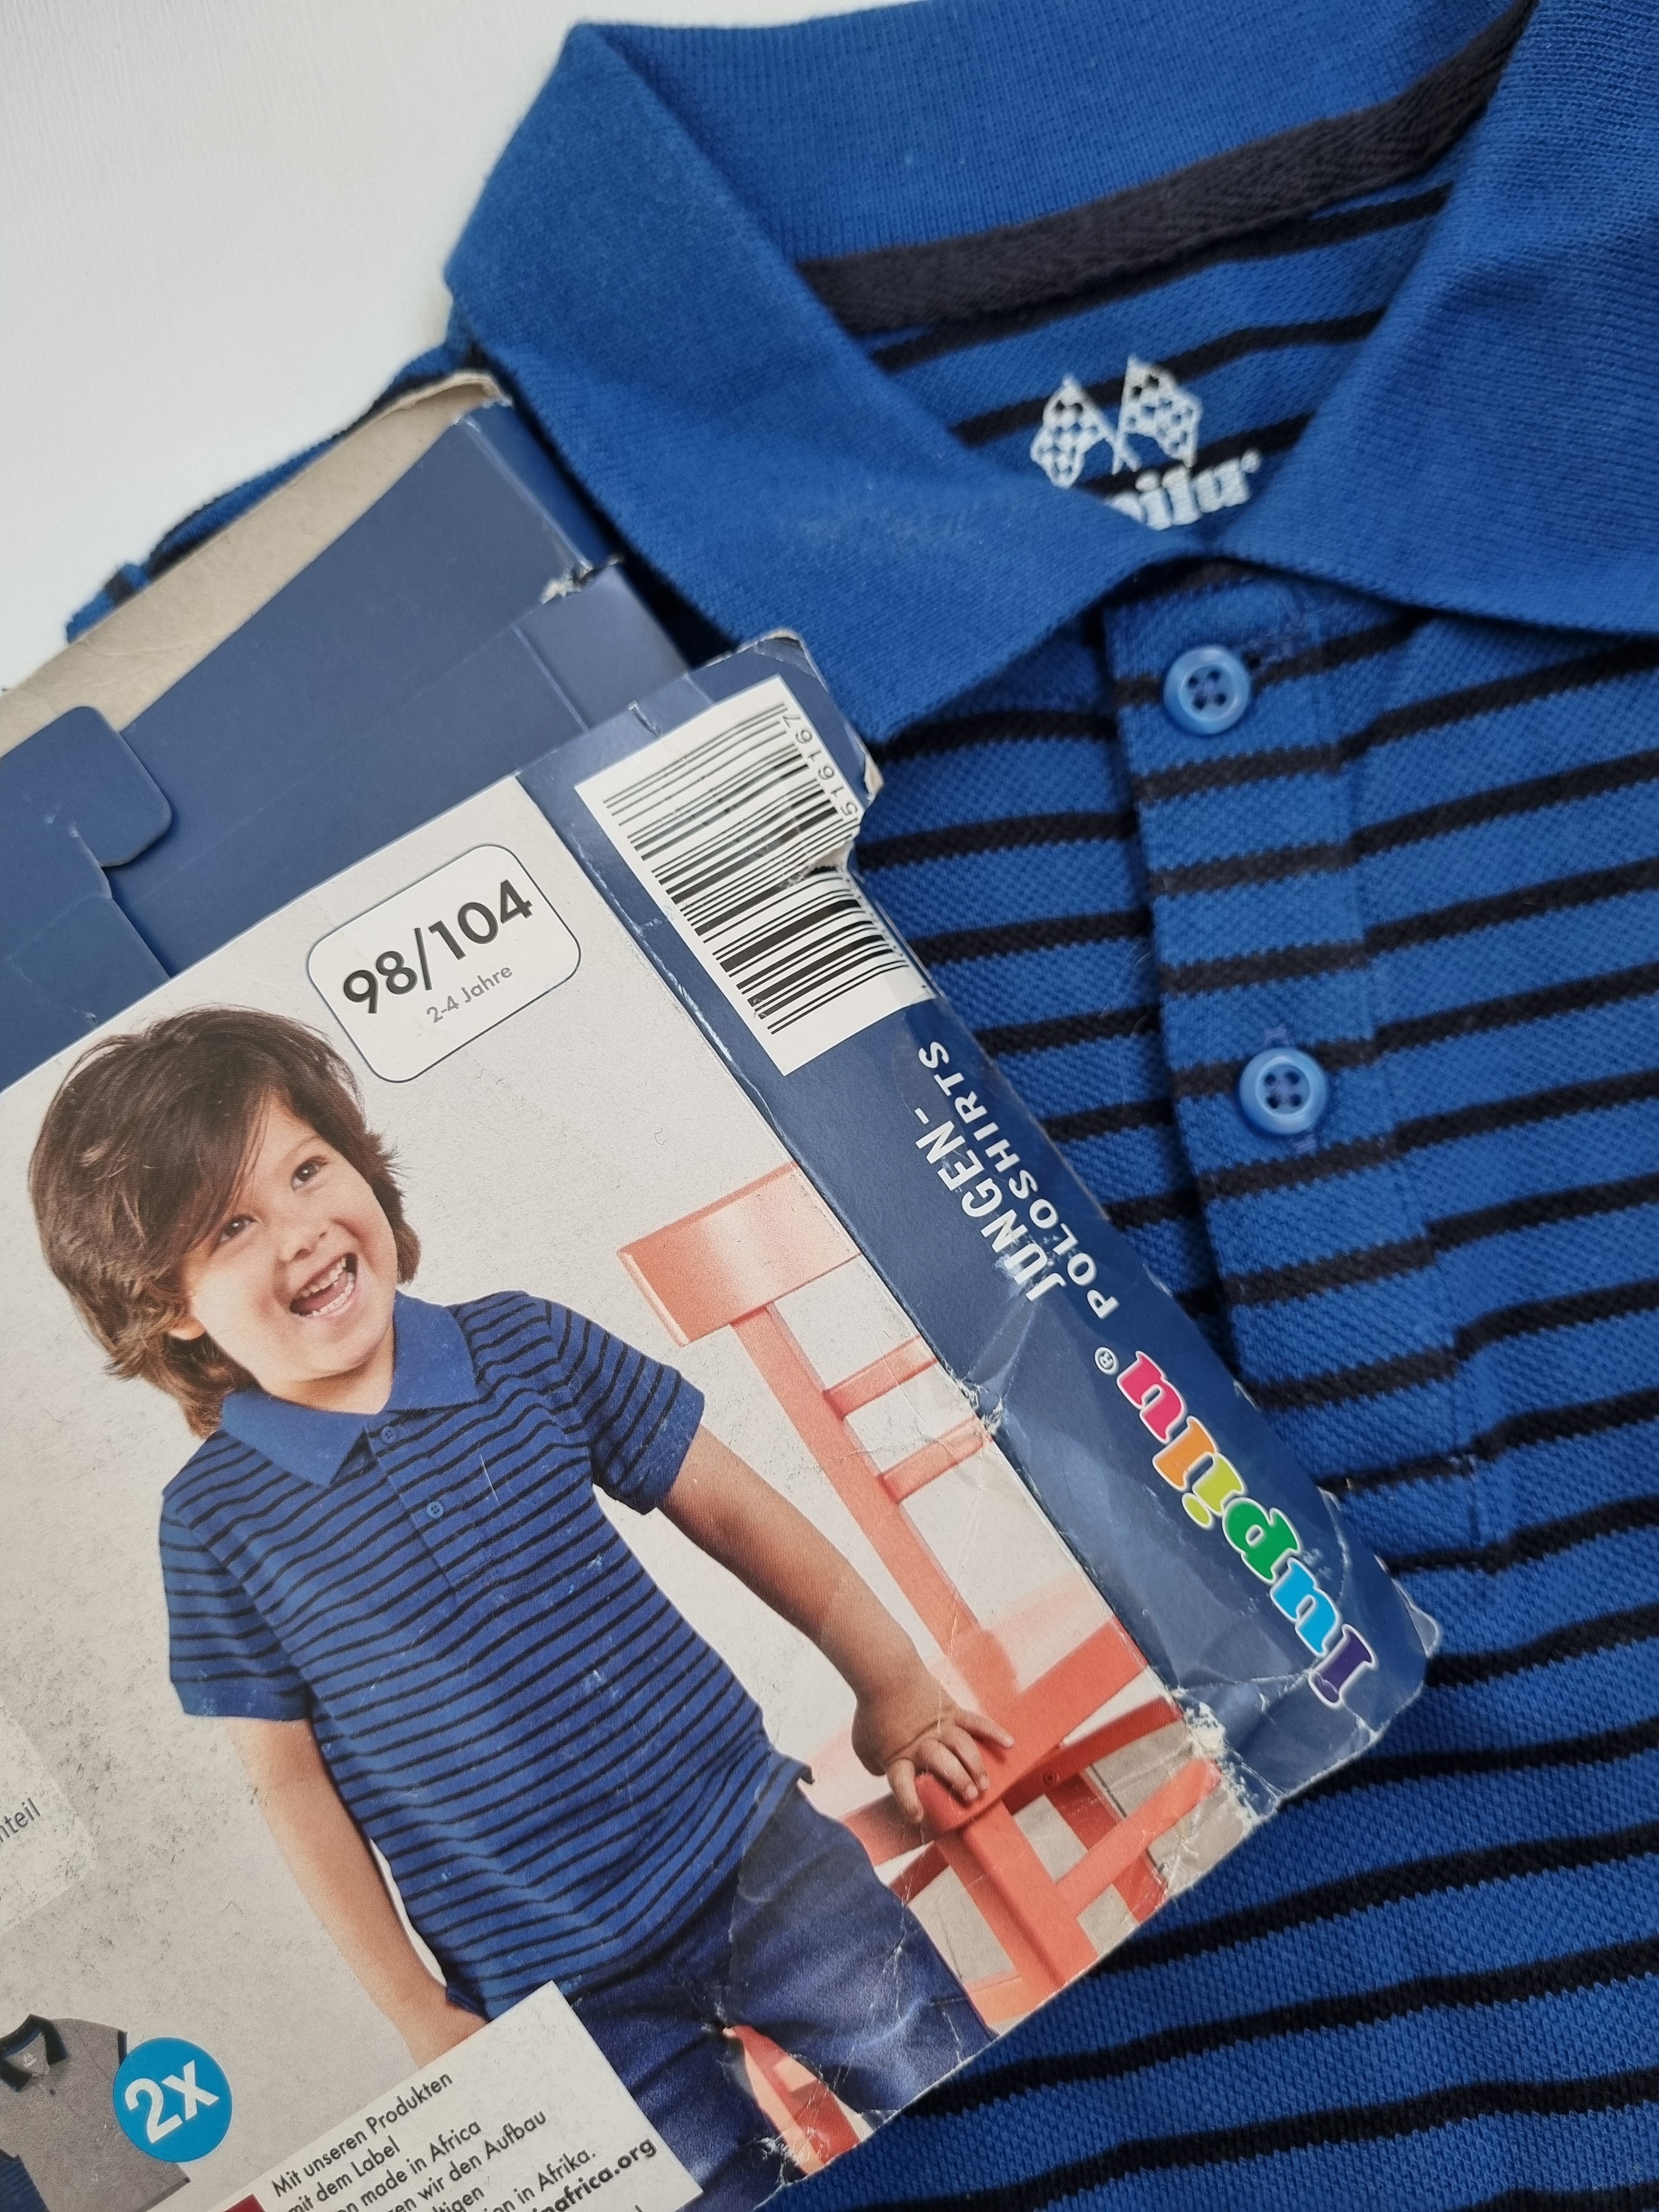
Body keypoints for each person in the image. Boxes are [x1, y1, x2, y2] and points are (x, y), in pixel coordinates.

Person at [29, 1006, 1003, 2211]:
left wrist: (894, 1685)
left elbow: (737, 1513)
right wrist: (414, 2008)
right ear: (168, 1303)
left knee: (969, 2101)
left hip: (757, 1854)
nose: (302, 1229)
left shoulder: (526, 1343)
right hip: (549, 1992)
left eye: (308, 1169)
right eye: (233, 1225)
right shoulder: (214, 1523)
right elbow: (289, 1784)